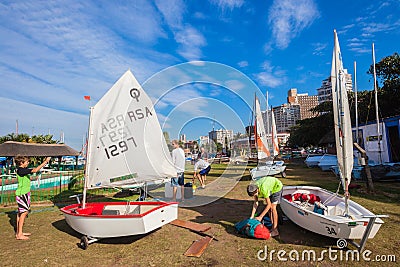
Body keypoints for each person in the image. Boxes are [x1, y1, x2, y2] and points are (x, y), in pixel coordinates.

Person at [14, 155, 51, 240]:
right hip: (22, 194)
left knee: (21, 212)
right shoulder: (21, 170)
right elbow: (35, 170)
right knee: (24, 213)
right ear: (21, 163)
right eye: (26, 162)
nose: (28, 163)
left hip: (23, 194)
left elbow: (32, 170)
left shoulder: (22, 170)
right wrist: (45, 161)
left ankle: (19, 232)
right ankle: (19, 234)